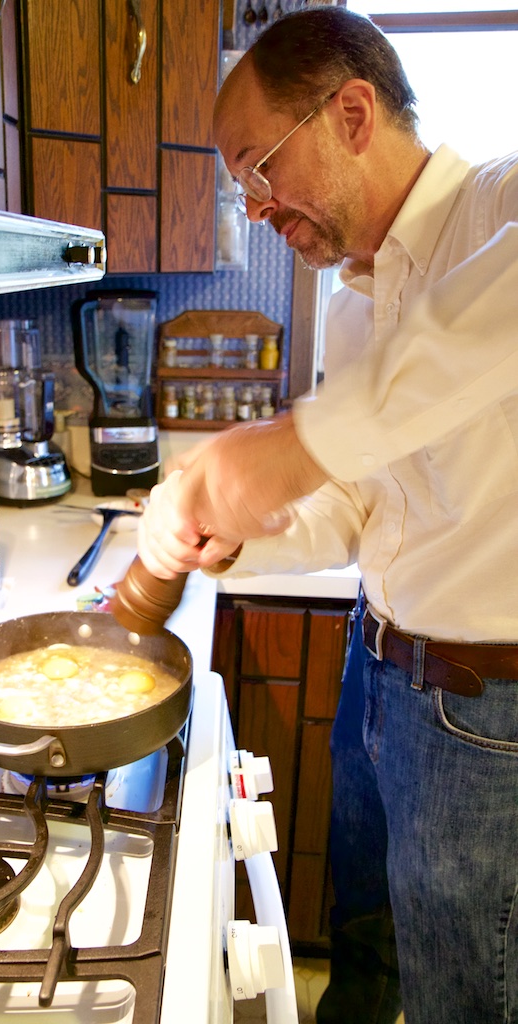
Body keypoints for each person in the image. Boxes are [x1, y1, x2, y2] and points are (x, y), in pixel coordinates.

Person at [137, 8, 518, 1024]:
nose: (252, 210)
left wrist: (286, 445)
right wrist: (243, 529)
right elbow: (359, 498)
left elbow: (375, 412)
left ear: (350, 112)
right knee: (367, 937)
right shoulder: (355, 296)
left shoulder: (497, 206)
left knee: (461, 990)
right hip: (379, 667)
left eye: (257, 167)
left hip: (486, 716)